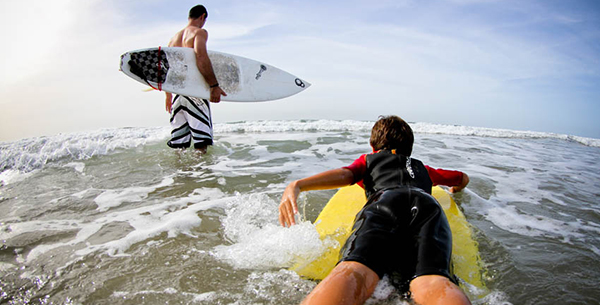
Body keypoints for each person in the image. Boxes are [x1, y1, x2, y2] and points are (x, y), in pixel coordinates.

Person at [279, 115, 471, 305]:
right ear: (409, 149)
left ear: (373, 147)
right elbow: (462, 178)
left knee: (356, 271)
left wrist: (299, 185)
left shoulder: (369, 160)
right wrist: (455, 190)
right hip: (428, 206)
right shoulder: (423, 169)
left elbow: (347, 175)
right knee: (433, 280)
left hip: (385, 201)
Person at [165, 4, 227, 152]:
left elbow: (167, 69)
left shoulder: (173, 39)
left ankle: (180, 174)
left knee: (179, 145)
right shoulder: (199, 32)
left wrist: (168, 95)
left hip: (177, 96)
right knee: (201, 142)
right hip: (194, 93)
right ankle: (201, 175)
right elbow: (201, 56)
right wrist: (213, 86)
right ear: (203, 16)